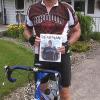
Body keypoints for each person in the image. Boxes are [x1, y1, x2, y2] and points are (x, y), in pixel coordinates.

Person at [23, 0, 81, 100]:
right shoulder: (32, 8)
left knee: (65, 94)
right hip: (41, 57)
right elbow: (26, 30)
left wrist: (67, 44)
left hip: (62, 56)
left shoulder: (67, 8)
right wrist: (31, 38)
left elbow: (77, 31)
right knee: (42, 93)